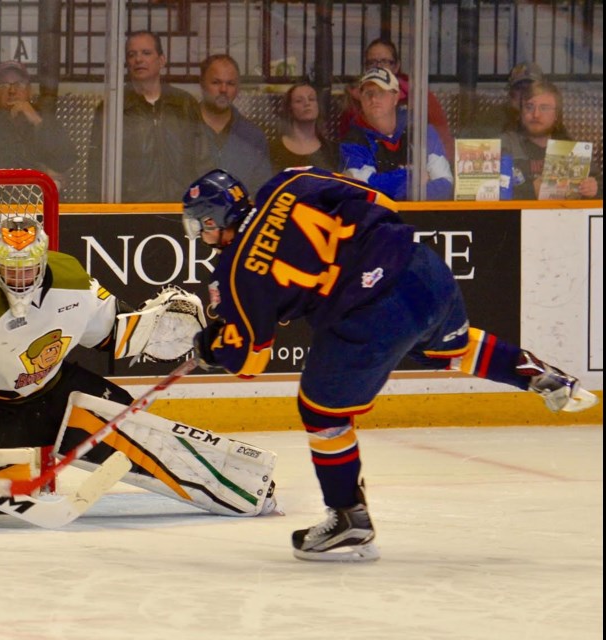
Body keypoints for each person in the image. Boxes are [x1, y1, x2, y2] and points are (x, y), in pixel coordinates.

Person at [181, 167, 598, 562]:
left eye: (200, 224)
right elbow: (378, 199)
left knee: (319, 409)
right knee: (446, 346)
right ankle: (539, 376)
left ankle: (348, 516)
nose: (201, 233)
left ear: (216, 220)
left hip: (370, 313)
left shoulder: (235, 271)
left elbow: (250, 359)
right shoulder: (292, 181)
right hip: (421, 268)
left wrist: (214, 346)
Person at [0, 215, 280, 522]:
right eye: (9, 272)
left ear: (44, 259)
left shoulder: (72, 280)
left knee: (135, 430)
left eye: (27, 269)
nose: (18, 280)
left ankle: (240, 486)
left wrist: (170, 329)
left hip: (55, 391)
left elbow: (112, 335)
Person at [86, 30, 200, 202]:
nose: (138, 59)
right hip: (131, 213)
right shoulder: (114, 108)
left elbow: (203, 161)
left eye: (146, 53)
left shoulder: (184, 104)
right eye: (132, 55)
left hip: (182, 210)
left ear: (162, 60)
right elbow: (97, 169)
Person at [0, 60, 76, 193]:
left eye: (19, 84)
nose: (12, 90)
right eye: (4, 85)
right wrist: (43, 173)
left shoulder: (45, 122)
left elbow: (65, 160)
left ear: (29, 91)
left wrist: (36, 121)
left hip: (42, 205)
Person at [341, 68, 454, 200]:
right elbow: (363, 190)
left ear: (396, 97)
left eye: (381, 92)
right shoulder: (352, 140)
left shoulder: (422, 131)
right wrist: (415, 178)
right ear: (361, 99)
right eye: (368, 93)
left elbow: (445, 185)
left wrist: (392, 190)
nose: (374, 99)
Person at [339, 37, 455, 162]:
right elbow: (346, 144)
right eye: (372, 62)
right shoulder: (354, 101)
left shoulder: (419, 97)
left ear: (396, 66)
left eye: (384, 61)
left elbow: (443, 139)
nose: (379, 67)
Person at [500, 81, 601, 200]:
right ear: (521, 112)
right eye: (529, 107)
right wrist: (530, 191)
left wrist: (595, 188)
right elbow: (484, 189)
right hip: (514, 218)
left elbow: (598, 184)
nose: (536, 114)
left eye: (544, 108)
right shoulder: (504, 145)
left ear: (556, 115)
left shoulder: (570, 149)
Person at [193, 53, 271, 195]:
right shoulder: (183, 129)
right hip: (190, 215)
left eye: (230, 83)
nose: (223, 89)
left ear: (238, 87)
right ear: (202, 83)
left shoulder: (253, 136)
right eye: (216, 82)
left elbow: (262, 189)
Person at [269, 81, 340, 173]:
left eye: (311, 99)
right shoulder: (273, 150)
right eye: (299, 101)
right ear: (290, 108)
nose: (307, 104)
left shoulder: (333, 151)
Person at [459, 62, 544, 139]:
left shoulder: (552, 117)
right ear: (511, 93)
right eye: (519, 88)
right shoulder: (492, 117)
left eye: (531, 89)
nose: (525, 94)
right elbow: (466, 143)